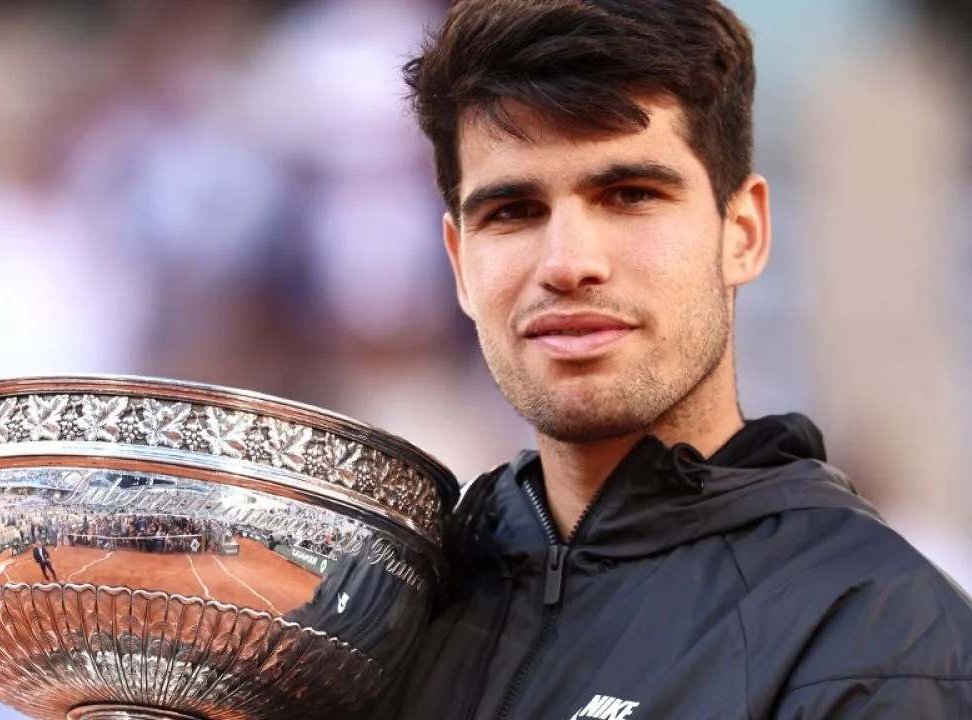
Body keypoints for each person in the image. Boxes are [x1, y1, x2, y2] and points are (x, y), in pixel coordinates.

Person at [371, 1, 972, 718]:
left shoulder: (883, 642)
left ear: (742, 233)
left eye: (629, 196)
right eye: (513, 211)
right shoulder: (391, 613)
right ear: (460, 265)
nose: (569, 265)